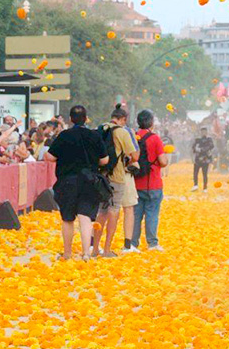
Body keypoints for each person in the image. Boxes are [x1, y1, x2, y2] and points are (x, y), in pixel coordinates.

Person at [44, 105, 108, 261]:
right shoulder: (94, 136)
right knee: (85, 217)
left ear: (71, 119)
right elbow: (105, 160)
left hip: (67, 181)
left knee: (67, 218)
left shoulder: (64, 136)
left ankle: (67, 254)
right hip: (89, 181)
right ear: (86, 119)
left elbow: (50, 157)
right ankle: (86, 253)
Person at [93, 105, 140, 257]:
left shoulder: (100, 129)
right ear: (123, 119)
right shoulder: (122, 132)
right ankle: (107, 249)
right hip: (116, 176)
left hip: (101, 177)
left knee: (102, 211)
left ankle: (94, 249)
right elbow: (135, 156)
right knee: (114, 211)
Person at [133, 109, 168, 251]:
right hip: (153, 183)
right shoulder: (155, 138)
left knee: (136, 215)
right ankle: (152, 243)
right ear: (151, 122)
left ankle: (133, 243)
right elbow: (163, 161)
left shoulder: (133, 137)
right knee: (152, 214)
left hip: (136, 183)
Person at [191, 126, 215, 192]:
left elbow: (211, 146)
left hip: (205, 158)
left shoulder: (209, 139)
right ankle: (195, 185)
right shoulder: (197, 139)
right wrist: (195, 150)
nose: (203, 133)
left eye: (205, 131)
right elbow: (193, 147)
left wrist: (202, 149)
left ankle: (205, 187)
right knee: (195, 172)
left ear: (207, 132)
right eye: (202, 131)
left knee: (204, 173)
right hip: (198, 158)